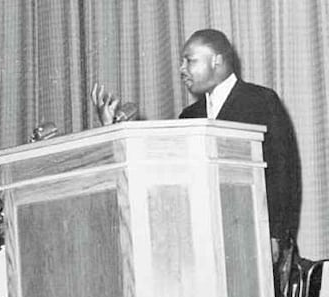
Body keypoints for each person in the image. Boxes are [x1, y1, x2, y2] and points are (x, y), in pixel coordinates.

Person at [92, 28, 301, 252]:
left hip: (255, 238)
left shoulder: (260, 100)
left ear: (217, 61)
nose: (182, 69)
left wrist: (275, 235)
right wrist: (113, 129)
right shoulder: (189, 116)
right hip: (203, 242)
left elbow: (284, 172)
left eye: (189, 61)